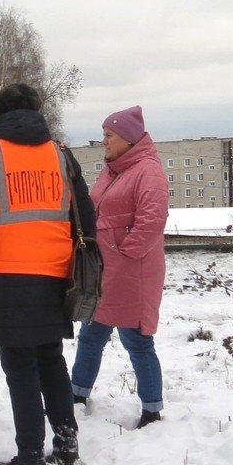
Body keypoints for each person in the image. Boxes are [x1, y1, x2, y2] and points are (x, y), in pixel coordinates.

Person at [0, 83, 95, 465]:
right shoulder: (61, 154)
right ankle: (66, 447)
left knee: (19, 364)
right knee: (50, 358)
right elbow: (85, 212)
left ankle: (30, 456)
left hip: (9, 273)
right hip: (56, 271)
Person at [70, 105, 169, 429]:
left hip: (131, 273)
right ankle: (77, 395)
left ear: (127, 138)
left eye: (109, 135)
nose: (104, 141)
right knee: (90, 334)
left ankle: (152, 410)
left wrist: (122, 254)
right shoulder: (114, 169)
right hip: (106, 270)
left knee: (137, 341)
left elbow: (151, 221)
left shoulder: (147, 171)